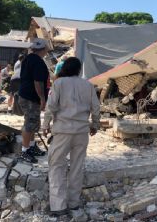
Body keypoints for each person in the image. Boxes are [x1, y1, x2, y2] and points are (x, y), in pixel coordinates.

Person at [41, 57, 100, 216]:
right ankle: (73, 203)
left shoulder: (59, 83)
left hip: (62, 132)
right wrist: (95, 125)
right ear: (79, 70)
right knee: (77, 167)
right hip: (81, 132)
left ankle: (58, 206)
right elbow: (96, 107)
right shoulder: (88, 85)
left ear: (65, 68)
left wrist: (45, 125)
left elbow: (51, 106)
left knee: (57, 166)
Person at [18, 38, 49, 163]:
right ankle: (25, 151)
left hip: (26, 95)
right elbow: (38, 82)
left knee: (34, 123)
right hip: (31, 97)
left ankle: (31, 146)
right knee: (30, 123)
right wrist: (42, 98)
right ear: (44, 49)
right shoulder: (38, 62)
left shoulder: (28, 58)